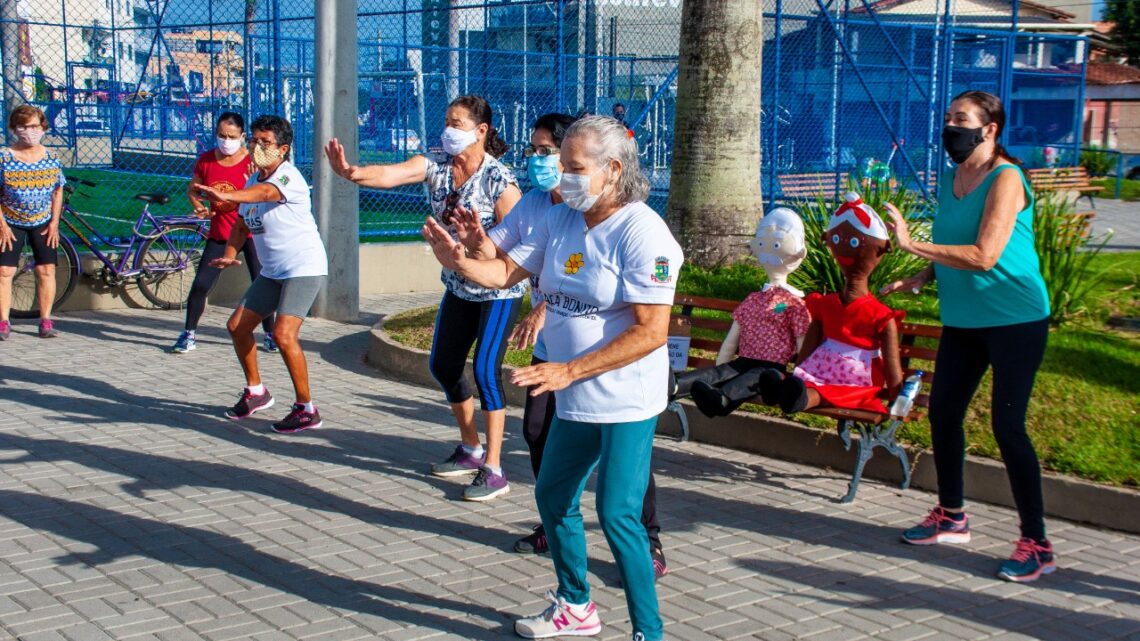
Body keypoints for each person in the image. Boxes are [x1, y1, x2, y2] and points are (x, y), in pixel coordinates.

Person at [423, 115, 681, 641]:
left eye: (573, 167)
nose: (561, 175)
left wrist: (569, 369)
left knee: (618, 517)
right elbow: (504, 273)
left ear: (612, 170)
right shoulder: (564, 220)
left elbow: (651, 332)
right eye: (561, 163)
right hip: (572, 391)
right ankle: (575, 605)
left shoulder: (644, 232)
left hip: (625, 397)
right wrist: (459, 262)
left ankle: (648, 632)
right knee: (554, 496)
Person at [882, 90, 1055, 583]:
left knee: (1008, 426)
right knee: (943, 413)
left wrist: (912, 245)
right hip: (964, 319)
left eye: (961, 119)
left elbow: (983, 255)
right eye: (948, 118)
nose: (950, 126)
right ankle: (952, 516)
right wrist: (922, 277)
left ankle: (1037, 543)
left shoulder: (1008, 178)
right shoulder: (952, 178)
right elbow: (954, 242)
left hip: (1015, 319)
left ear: (990, 129)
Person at [325, 95, 524, 502]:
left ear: (481, 130)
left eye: (457, 122)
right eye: (446, 120)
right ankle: (471, 448)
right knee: (444, 365)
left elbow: (522, 245)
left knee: (486, 372)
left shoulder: (499, 180)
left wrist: (482, 247)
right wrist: (352, 173)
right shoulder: (436, 165)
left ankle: (495, 467)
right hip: (458, 286)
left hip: (498, 289)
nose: (447, 129)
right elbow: (392, 174)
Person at [193, 115, 328, 434]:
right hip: (274, 271)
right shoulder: (252, 182)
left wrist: (226, 196)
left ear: (282, 149)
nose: (256, 147)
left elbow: (266, 196)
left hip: (303, 267)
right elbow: (241, 225)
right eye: (253, 140)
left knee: (283, 334)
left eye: (264, 142)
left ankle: (306, 409)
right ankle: (256, 392)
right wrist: (228, 254)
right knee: (237, 326)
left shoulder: (288, 178)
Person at [172, 112, 277, 354]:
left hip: (251, 234)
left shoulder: (252, 162)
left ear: (242, 137)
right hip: (221, 234)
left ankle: (270, 335)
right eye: (221, 135)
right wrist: (198, 206)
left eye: (231, 136)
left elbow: (266, 191)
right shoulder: (207, 160)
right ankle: (188, 334)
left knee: (263, 283)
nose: (226, 141)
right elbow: (193, 190)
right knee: (201, 285)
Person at [0, 105, 66, 340]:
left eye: (35, 126)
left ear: (43, 127)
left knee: (46, 270)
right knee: (5, 271)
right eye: (24, 127)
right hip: (10, 220)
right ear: (15, 129)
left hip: (43, 221)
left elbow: (58, 191)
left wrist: (54, 223)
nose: (30, 131)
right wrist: (2, 225)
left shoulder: (51, 158)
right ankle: (3, 321)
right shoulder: (4, 157)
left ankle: (46, 320)